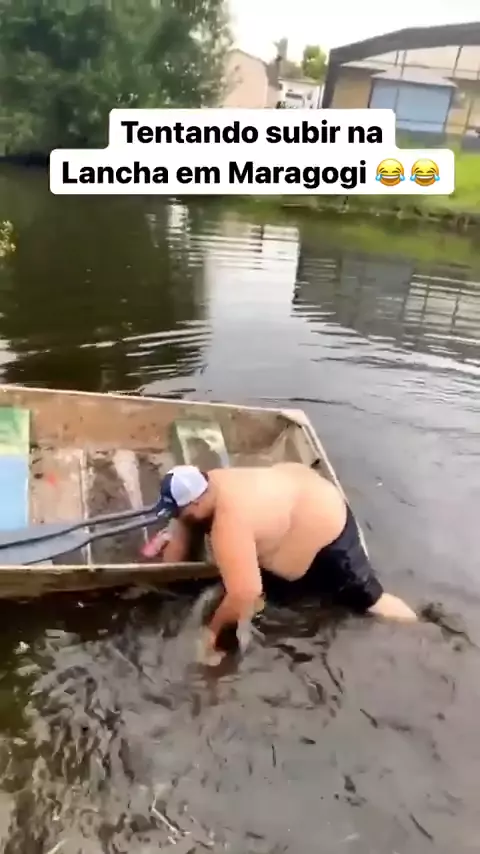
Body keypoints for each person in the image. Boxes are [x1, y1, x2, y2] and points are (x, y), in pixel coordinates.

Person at [144, 463, 417, 663]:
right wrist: (170, 571)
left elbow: (245, 594)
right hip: (296, 493)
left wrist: (212, 637)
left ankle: (419, 629)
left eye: (179, 511)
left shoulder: (229, 524)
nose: (178, 517)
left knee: (370, 600)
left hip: (327, 526)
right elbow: (184, 529)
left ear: (195, 503)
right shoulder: (210, 482)